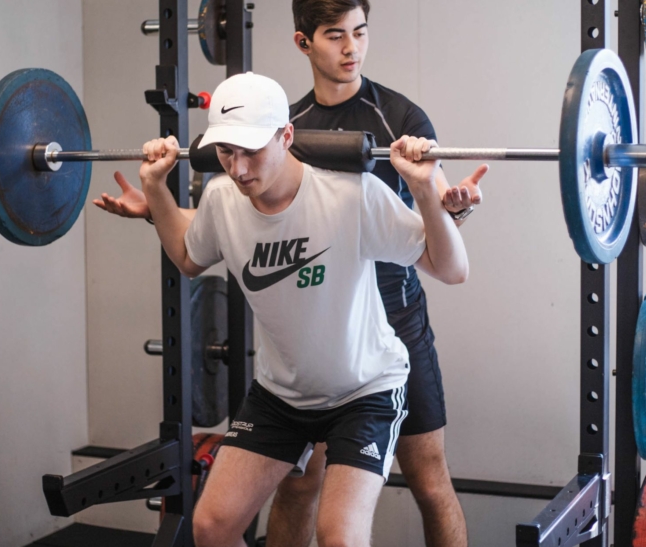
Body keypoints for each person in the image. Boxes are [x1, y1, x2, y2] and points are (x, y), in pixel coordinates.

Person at [107, 71, 468, 547]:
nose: (237, 169)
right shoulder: (220, 200)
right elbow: (189, 257)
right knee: (211, 528)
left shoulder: (350, 194)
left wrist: (424, 190)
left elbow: (451, 268)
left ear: (287, 136)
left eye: (251, 151)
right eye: (225, 152)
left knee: (338, 537)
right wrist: (156, 188)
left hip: (364, 391)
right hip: (281, 396)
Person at [267, 0, 480, 547]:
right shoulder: (284, 132)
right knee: (298, 484)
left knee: (429, 478)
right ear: (302, 42)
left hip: (397, 321)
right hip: (320, 326)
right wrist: (156, 208)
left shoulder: (401, 120)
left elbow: (436, 235)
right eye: (335, 35)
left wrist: (452, 209)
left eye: (360, 33)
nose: (351, 49)